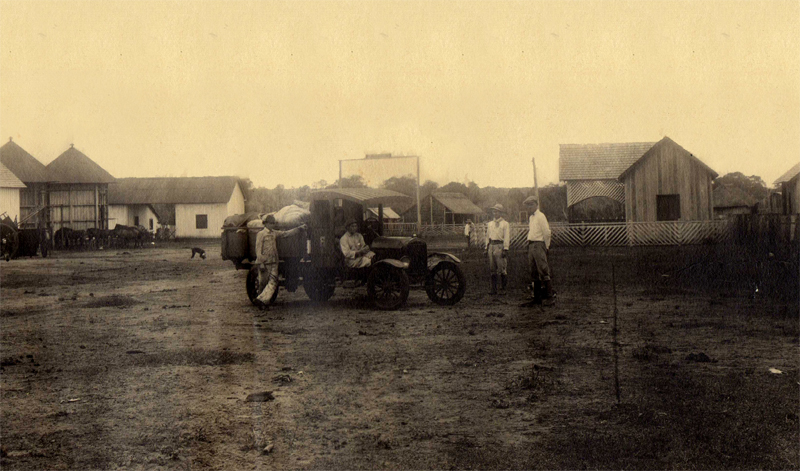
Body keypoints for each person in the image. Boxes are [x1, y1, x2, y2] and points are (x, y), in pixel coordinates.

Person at [255, 215, 306, 309]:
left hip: (274, 262)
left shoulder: (274, 233)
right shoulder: (261, 234)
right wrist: (261, 262)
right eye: (270, 223)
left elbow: (285, 234)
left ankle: (262, 301)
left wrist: (298, 229)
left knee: (273, 282)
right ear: (265, 223)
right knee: (263, 283)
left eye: (273, 223)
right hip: (265, 263)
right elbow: (258, 249)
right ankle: (261, 301)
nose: (272, 225)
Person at [521, 195, 555, 306]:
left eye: (531, 205)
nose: (529, 207)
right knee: (533, 272)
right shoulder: (531, 218)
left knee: (543, 270)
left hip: (539, 244)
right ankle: (537, 298)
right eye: (528, 205)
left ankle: (550, 297)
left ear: (536, 204)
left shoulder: (541, 216)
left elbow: (546, 232)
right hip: (531, 245)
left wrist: (547, 246)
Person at [485, 204, 510, 294]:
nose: (495, 213)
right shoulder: (490, 224)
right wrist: (486, 247)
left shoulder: (505, 224)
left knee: (502, 268)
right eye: (494, 211)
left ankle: (503, 289)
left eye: (497, 211)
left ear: (501, 212)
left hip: (500, 246)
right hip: (491, 246)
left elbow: (506, 237)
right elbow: (487, 236)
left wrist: (505, 249)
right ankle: (493, 289)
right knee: (492, 268)